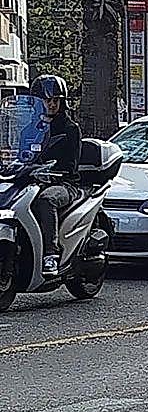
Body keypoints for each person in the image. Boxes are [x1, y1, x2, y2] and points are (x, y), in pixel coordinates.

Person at [29, 75, 81, 277]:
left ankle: (50, 254)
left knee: (46, 200)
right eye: (47, 100)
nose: (51, 104)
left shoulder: (70, 129)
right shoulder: (31, 128)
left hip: (64, 183)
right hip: (33, 181)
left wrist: (52, 173)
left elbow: (71, 165)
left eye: (55, 100)